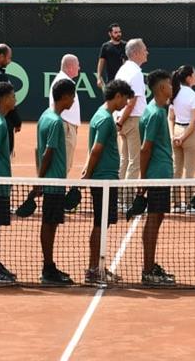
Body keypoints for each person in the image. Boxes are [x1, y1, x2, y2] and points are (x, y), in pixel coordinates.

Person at [82, 78, 131, 287]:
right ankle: (94, 270)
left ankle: (98, 267)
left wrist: (87, 171)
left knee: (102, 224)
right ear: (117, 96)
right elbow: (96, 149)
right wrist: (88, 174)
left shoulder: (102, 116)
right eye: (125, 99)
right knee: (100, 225)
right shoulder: (104, 119)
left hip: (105, 179)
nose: (126, 103)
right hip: (104, 180)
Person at [135, 69, 177, 286]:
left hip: (160, 174)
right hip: (157, 175)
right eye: (169, 84)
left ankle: (150, 267)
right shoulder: (155, 113)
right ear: (162, 88)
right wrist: (143, 179)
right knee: (154, 219)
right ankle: (148, 270)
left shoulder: (158, 110)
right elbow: (145, 148)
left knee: (157, 217)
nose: (172, 87)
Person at [33, 77, 76, 286]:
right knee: (49, 225)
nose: (74, 100)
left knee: (48, 224)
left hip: (51, 181)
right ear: (65, 97)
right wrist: (40, 180)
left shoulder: (44, 116)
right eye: (73, 96)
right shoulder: (57, 122)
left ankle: (49, 266)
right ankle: (48, 269)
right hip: (54, 182)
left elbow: (38, 151)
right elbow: (48, 152)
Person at [168, 66, 195, 213]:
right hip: (190, 135)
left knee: (176, 171)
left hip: (176, 132)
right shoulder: (194, 96)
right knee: (189, 172)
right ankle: (190, 205)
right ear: (189, 78)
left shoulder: (173, 94)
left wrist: (173, 136)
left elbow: (170, 118)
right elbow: (193, 121)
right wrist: (183, 137)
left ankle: (176, 204)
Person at [115, 39, 149, 188]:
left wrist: (119, 122)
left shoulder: (122, 70)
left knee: (125, 159)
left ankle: (119, 197)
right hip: (132, 120)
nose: (147, 52)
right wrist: (121, 121)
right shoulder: (135, 73)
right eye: (144, 50)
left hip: (122, 119)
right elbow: (131, 102)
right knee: (135, 162)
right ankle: (126, 200)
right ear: (136, 53)